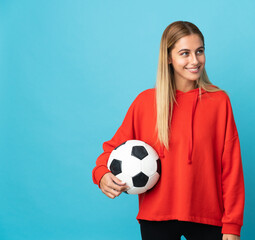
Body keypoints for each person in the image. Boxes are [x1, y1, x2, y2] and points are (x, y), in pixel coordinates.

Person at [92, 21, 245, 240]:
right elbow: (110, 151)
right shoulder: (145, 103)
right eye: (185, 53)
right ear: (168, 58)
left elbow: (231, 169)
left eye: (199, 51)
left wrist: (232, 225)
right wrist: (102, 174)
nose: (195, 60)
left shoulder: (219, 102)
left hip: (208, 219)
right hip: (156, 219)